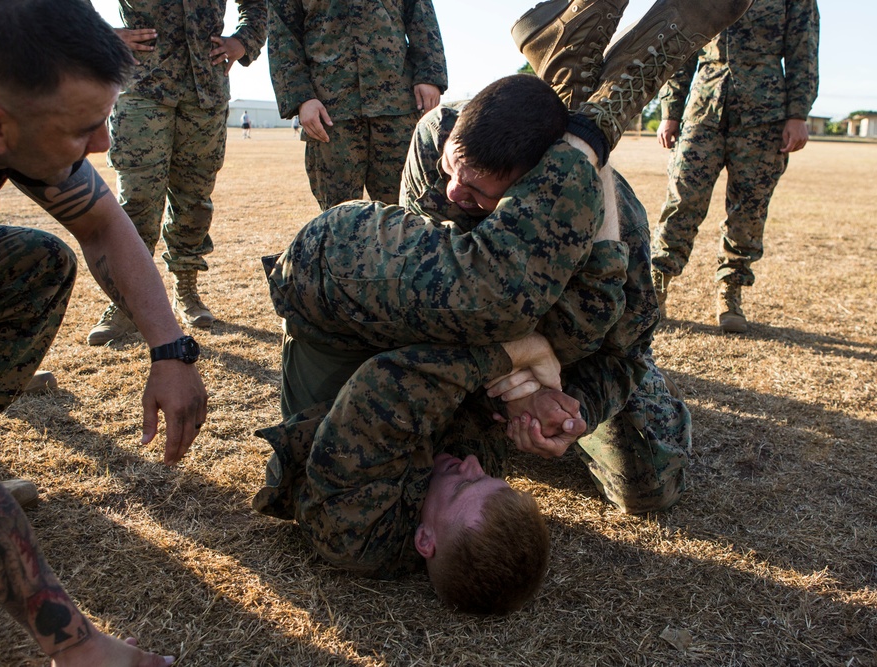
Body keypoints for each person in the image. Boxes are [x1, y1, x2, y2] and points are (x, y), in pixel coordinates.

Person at [254, 0, 750, 614]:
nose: (470, 463)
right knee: (635, 451)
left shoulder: (358, 527)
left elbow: (401, 378)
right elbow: (614, 343)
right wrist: (569, 407)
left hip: (334, 286)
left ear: (424, 541)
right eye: (488, 473)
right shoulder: (461, 485)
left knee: (497, 299)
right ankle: (583, 135)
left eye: (469, 481)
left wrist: (515, 362)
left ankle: (583, 126)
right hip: (461, 296)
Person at [0, 1, 209, 664]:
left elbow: (101, 222)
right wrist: (78, 645)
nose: (103, 147)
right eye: (85, 129)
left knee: (33, 264)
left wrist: (170, 349)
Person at [87, 0, 267, 344]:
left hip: (206, 91)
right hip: (143, 87)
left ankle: (186, 289)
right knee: (137, 201)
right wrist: (98, 34)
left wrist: (244, 40)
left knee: (194, 200)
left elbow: (256, 4)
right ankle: (126, 304)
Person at [649, 0, 820, 333]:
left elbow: (804, 46)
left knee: (749, 209)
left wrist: (798, 114)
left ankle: (731, 293)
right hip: (704, 104)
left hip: (764, 111)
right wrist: (670, 111)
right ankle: (657, 285)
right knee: (683, 199)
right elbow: (680, 45)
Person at [266, 0, 448, 211]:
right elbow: (282, 33)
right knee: (338, 215)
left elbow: (420, 12)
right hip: (330, 109)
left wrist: (430, 75)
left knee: (409, 211)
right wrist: (301, 98)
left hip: (397, 104)